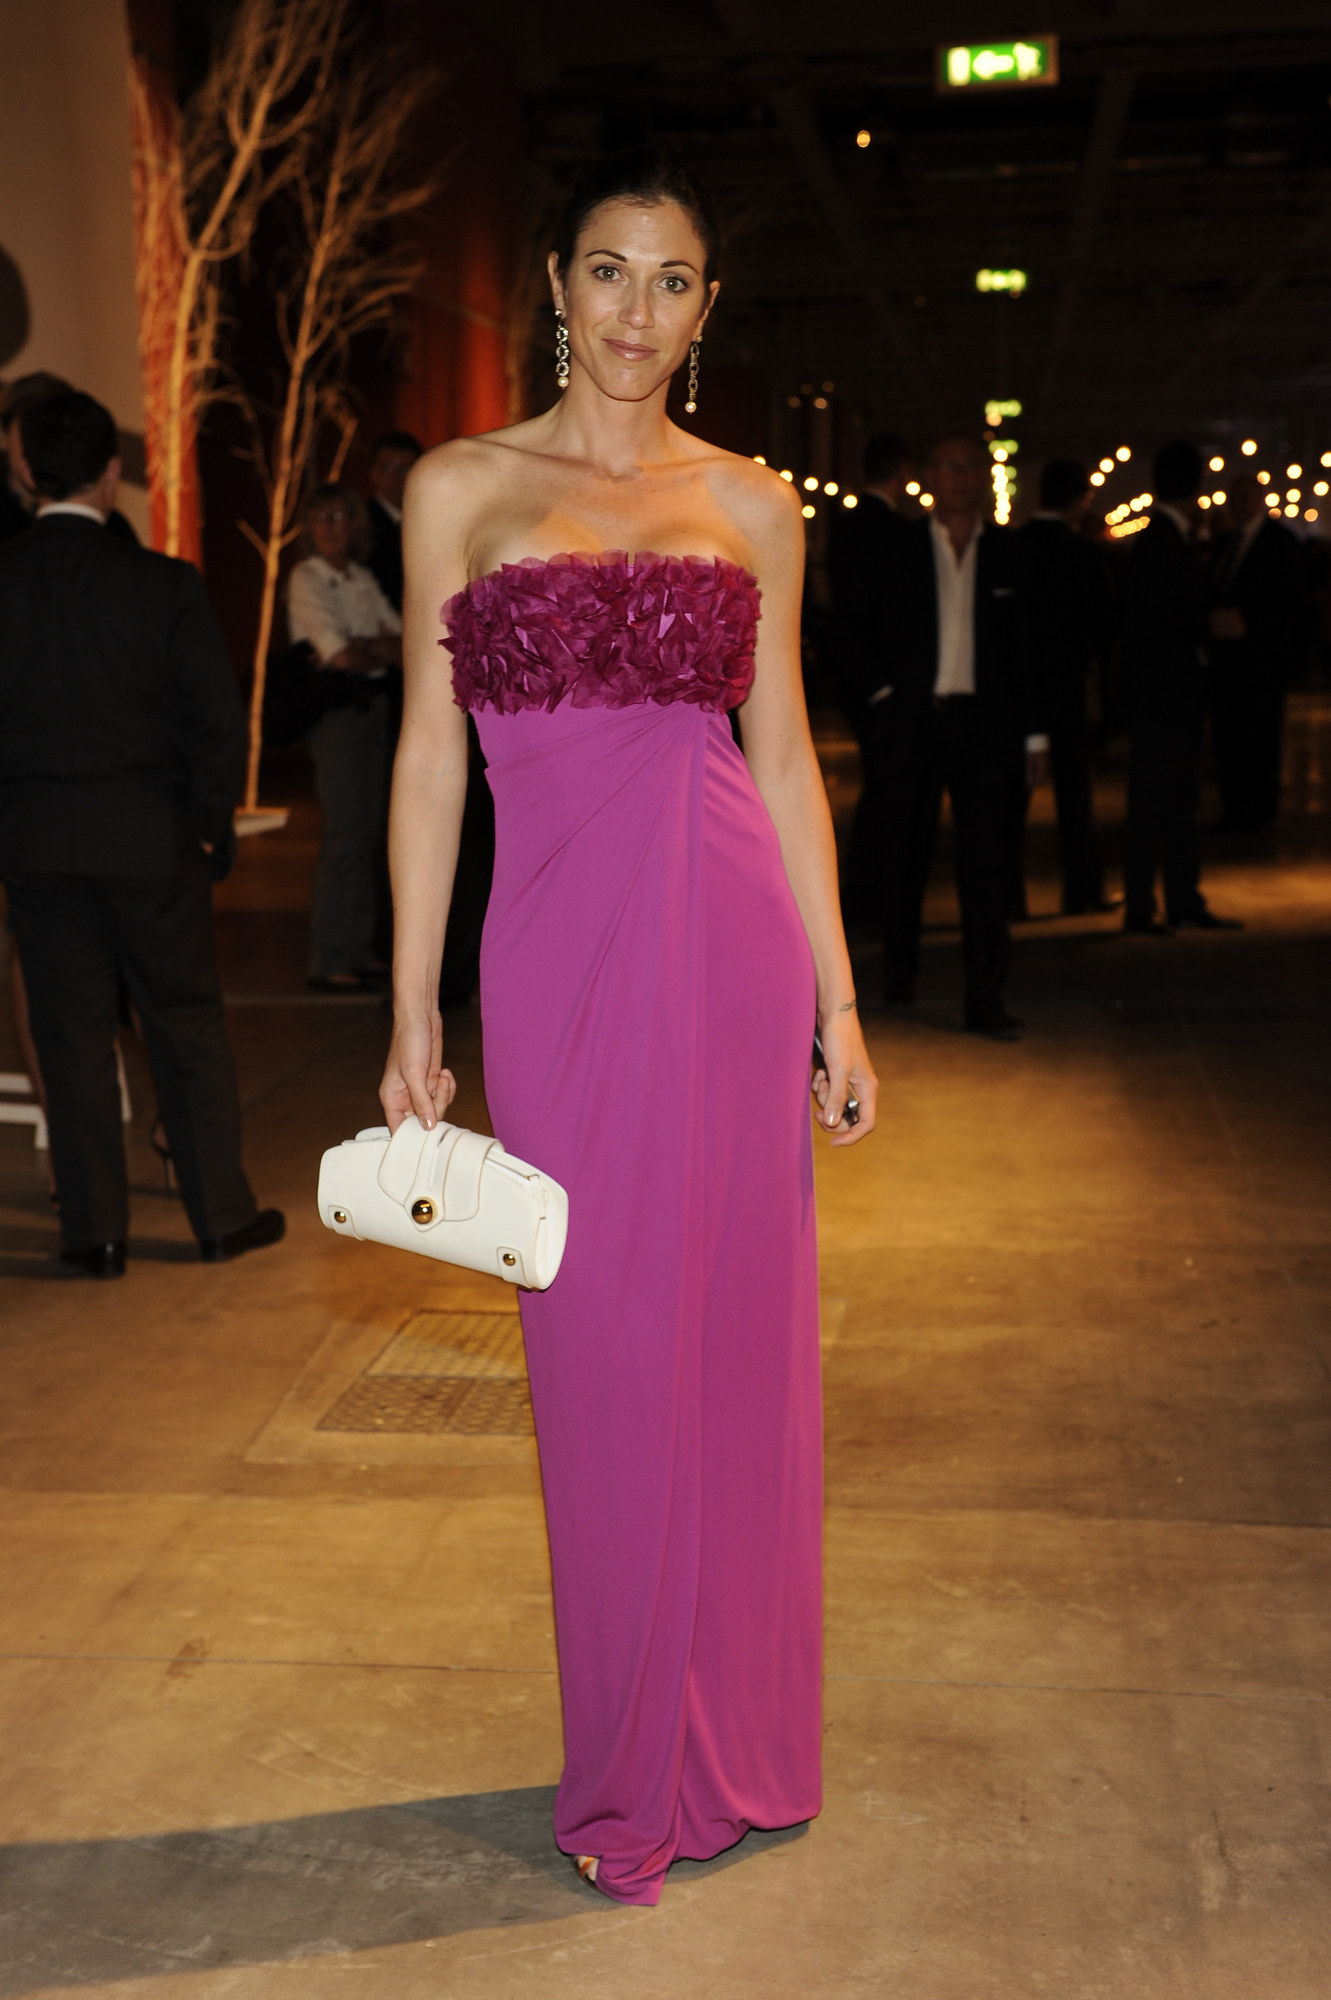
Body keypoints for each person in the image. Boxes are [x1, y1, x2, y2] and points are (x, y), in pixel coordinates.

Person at [380, 147, 877, 1906]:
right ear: (555, 283)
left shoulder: (751, 502)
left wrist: (834, 1002)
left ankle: (733, 1738)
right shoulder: (461, 485)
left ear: (705, 307)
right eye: (608, 271)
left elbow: (783, 760)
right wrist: (412, 1000)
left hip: (731, 949)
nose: (635, 313)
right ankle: (627, 1763)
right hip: (556, 960)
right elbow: (429, 756)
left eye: (671, 283)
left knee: (734, 1342)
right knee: (596, 1354)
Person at [0, 390, 284, 1275]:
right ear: (111, 472)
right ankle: (219, 1220)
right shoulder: (162, 585)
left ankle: (94, 1236)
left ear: (22, 470)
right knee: (185, 1028)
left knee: (70, 1040)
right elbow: (216, 724)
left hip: (38, 844)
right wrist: (206, 828)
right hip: (152, 841)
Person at [859, 436, 1047, 1038]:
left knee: (987, 863)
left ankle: (984, 995)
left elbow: (1034, 650)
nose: (959, 476)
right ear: (930, 477)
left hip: (988, 728)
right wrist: (881, 699)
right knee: (903, 854)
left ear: (981, 477)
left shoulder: (1012, 553)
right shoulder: (899, 547)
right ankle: (899, 971)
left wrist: (1035, 736)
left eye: (969, 467)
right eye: (948, 466)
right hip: (913, 722)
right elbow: (856, 627)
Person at [1120, 440, 1241, 934]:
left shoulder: (1159, 538)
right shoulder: (1165, 543)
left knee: (1171, 796)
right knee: (1159, 798)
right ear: (1196, 486)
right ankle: (1150, 903)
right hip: (1165, 692)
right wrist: (1208, 623)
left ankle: (1176, 898)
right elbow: (1159, 619)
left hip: (1163, 691)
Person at [287, 482, 402, 992]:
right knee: (344, 834)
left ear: (353, 523)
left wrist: (368, 647)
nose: (329, 527)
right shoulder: (307, 578)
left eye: (338, 516)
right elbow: (339, 654)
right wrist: (372, 649)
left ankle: (359, 949)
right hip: (336, 717)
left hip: (372, 711)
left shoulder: (361, 576)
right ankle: (329, 955)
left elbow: (406, 642)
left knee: (370, 834)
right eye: (320, 517)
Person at [1014, 458, 1115, 914]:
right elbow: (1103, 629)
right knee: (1076, 797)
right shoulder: (1085, 556)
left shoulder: (1013, 547)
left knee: (1011, 802)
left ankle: (1007, 897)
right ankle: (1082, 890)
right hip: (1069, 690)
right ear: (1079, 500)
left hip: (1018, 691)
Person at [826, 430, 914, 919]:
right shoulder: (895, 531)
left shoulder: (845, 525)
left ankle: (866, 893)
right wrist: (886, 687)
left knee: (881, 786)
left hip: (855, 677)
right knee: (887, 791)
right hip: (881, 681)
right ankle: (870, 895)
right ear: (902, 473)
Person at [1207, 473, 1305, 832]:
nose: (1240, 504)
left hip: (1262, 659)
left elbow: (1289, 599)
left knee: (1259, 736)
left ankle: (1259, 810)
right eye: (1236, 498)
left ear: (1260, 500)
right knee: (1230, 736)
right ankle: (1234, 808)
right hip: (1228, 659)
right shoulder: (1227, 542)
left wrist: (1250, 621)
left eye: (1247, 497)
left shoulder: (1280, 541)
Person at [1, 373, 140, 546]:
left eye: (60, 432)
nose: (48, 444)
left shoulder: (112, 526)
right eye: (31, 431)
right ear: (3, 436)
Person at [364, 429, 422, 613]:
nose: (395, 477)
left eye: (404, 469)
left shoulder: (429, 521)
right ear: (373, 473)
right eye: (386, 467)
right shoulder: (360, 523)